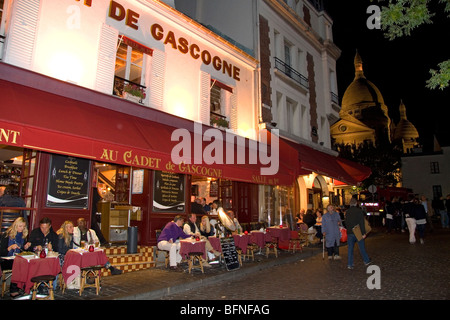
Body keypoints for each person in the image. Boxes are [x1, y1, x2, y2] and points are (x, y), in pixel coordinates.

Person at [0, 217, 31, 297]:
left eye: (23, 227)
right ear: (15, 226)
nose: (22, 228)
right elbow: (1, 252)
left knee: (27, 264)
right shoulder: (6, 235)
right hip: (6, 259)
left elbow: (22, 251)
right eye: (20, 226)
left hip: (17, 259)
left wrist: (26, 247)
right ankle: (14, 289)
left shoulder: (22, 236)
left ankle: (25, 287)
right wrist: (10, 248)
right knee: (19, 264)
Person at [345, 198, 372, 269]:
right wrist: (363, 233)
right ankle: (366, 260)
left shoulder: (347, 212)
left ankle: (350, 264)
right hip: (358, 232)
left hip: (350, 232)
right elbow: (361, 223)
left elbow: (346, 222)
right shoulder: (359, 211)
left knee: (350, 248)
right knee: (361, 247)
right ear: (356, 203)